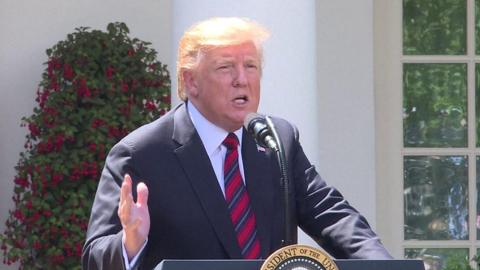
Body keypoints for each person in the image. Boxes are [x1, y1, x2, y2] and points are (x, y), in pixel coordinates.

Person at [82, 17, 392, 270]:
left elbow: (332, 215)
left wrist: (384, 266)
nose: (241, 79)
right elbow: (94, 256)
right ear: (191, 82)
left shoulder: (277, 140)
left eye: (251, 66)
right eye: (226, 67)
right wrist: (130, 242)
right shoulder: (142, 154)